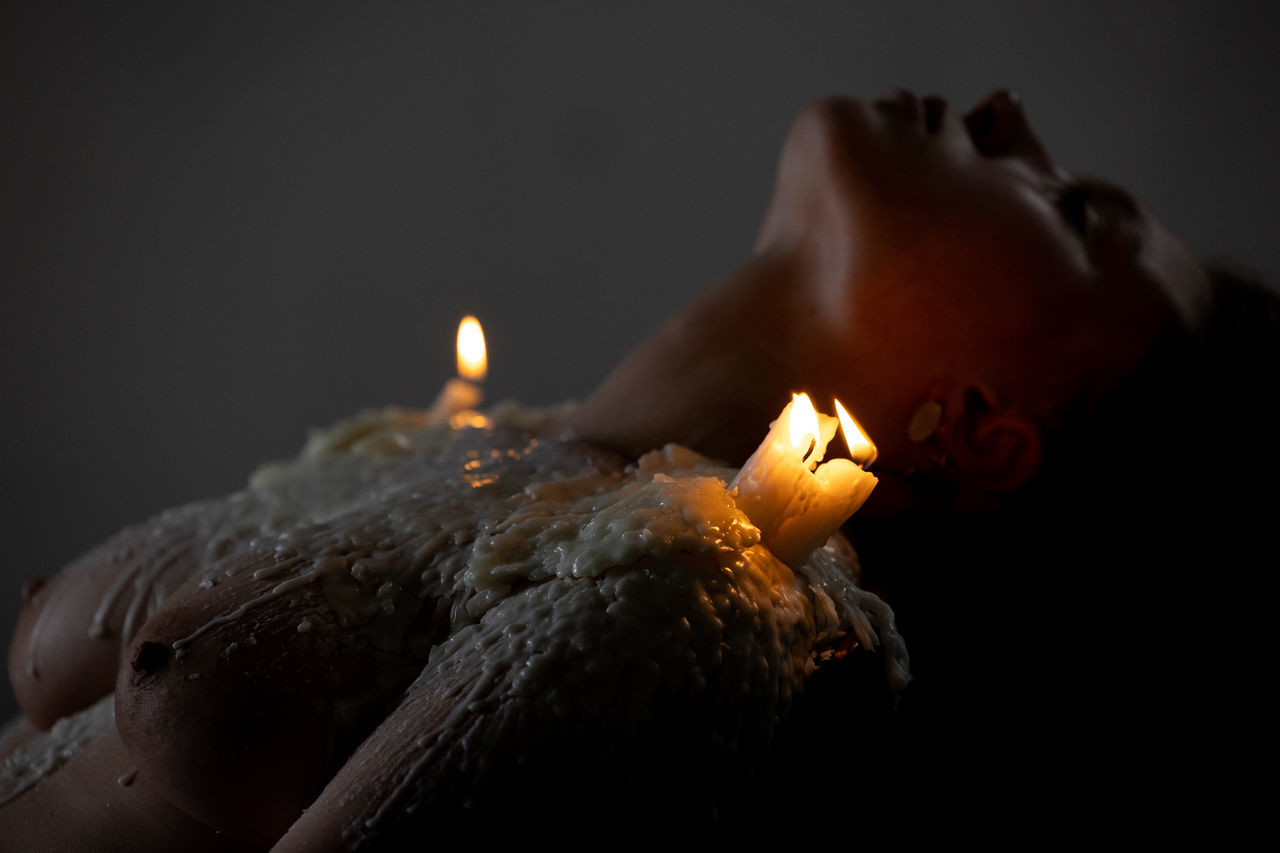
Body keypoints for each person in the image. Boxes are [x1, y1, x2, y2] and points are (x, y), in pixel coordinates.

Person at [3, 88, 1275, 848]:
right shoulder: (474, 447)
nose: (1005, 111)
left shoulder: (689, 613)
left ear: (988, 434)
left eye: (1075, 213)